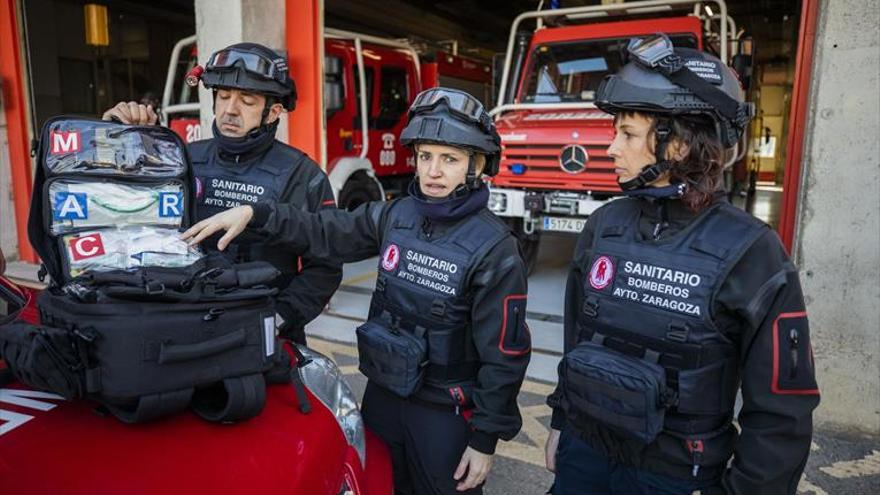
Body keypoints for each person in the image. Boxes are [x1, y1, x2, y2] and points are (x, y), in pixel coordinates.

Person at [181, 88, 532, 494]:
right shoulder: (397, 214)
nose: (433, 171)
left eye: (449, 160)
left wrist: (483, 439)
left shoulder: (494, 248)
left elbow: (505, 356)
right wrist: (258, 213)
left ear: (478, 166)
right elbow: (326, 231)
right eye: (425, 157)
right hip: (383, 397)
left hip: (445, 415)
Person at [544, 34, 819, 495]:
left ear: (677, 146)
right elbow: (578, 341)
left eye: (627, 134)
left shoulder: (751, 250)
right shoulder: (604, 225)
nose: (611, 148)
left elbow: (781, 410)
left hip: (673, 474)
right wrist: (560, 423)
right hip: (584, 455)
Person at [102, 42, 342, 344]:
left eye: (247, 100)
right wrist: (117, 138)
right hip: (186, 323)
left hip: (264, 331)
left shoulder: (302, 174)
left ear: (273, 112)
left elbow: (326, 265)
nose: (230, 109)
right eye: (224, 96)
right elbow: (127, 216)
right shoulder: (183, 158)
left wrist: (280, 317)